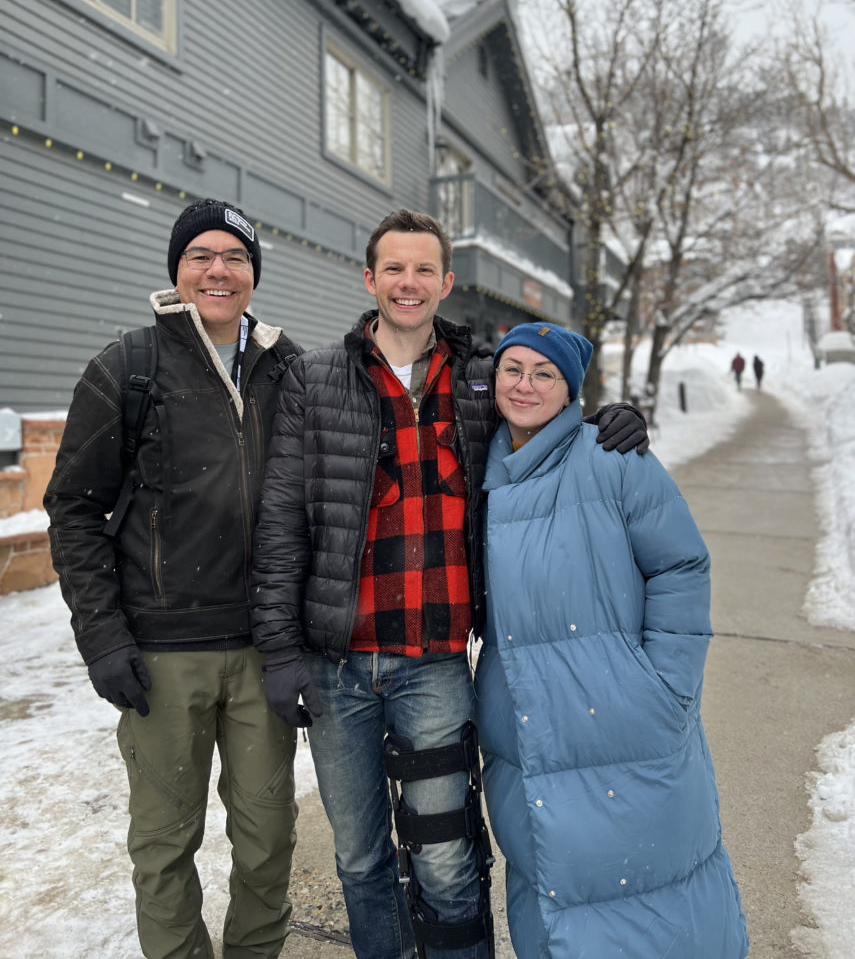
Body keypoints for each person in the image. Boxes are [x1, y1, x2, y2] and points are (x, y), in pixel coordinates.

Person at [249, 209, 649, 959]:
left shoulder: (477, 375)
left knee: (444, 856)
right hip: (338, 666)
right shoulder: (315, 379)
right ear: (369, 279)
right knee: (361, 858)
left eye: (423, 269)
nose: (408, 283)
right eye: (393, 269)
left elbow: (544, 415)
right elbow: (281, 521)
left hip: (431, 662)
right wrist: (278, 651)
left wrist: (608, 422)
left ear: (445, 282)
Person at [44, 199, 302, 959]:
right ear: (177, 270)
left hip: (263, 650)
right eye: (201, 256)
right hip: (160, 655)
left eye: (235, 256)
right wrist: (102, 638)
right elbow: (74, 510)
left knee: (266, 843)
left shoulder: (289, 369)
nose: (218, 270)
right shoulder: (126, 368)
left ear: (254, 274)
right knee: (164, 846)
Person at [474, 321, 749, 959]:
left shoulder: (611, 457)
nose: (525, 384)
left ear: (571, 389)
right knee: (551, 887)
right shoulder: (482, 469)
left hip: (626, 721)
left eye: (545, 373)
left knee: (656, 884)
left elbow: (680, 566)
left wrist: (666, 686)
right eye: (514, 369)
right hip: (526, 731)